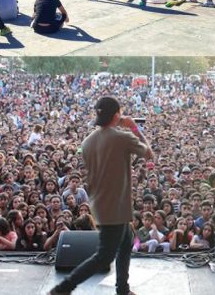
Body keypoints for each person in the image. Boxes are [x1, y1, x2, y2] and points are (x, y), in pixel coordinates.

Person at [49, 96, 154, 295]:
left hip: (102, 203)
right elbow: (149, 155)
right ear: (117, 114)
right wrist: (133, 127)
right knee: (104, 257)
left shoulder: (88, 141)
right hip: (115, 207)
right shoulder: (122, 137)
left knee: (126, 242)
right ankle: (61, 289)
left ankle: (122, 289)